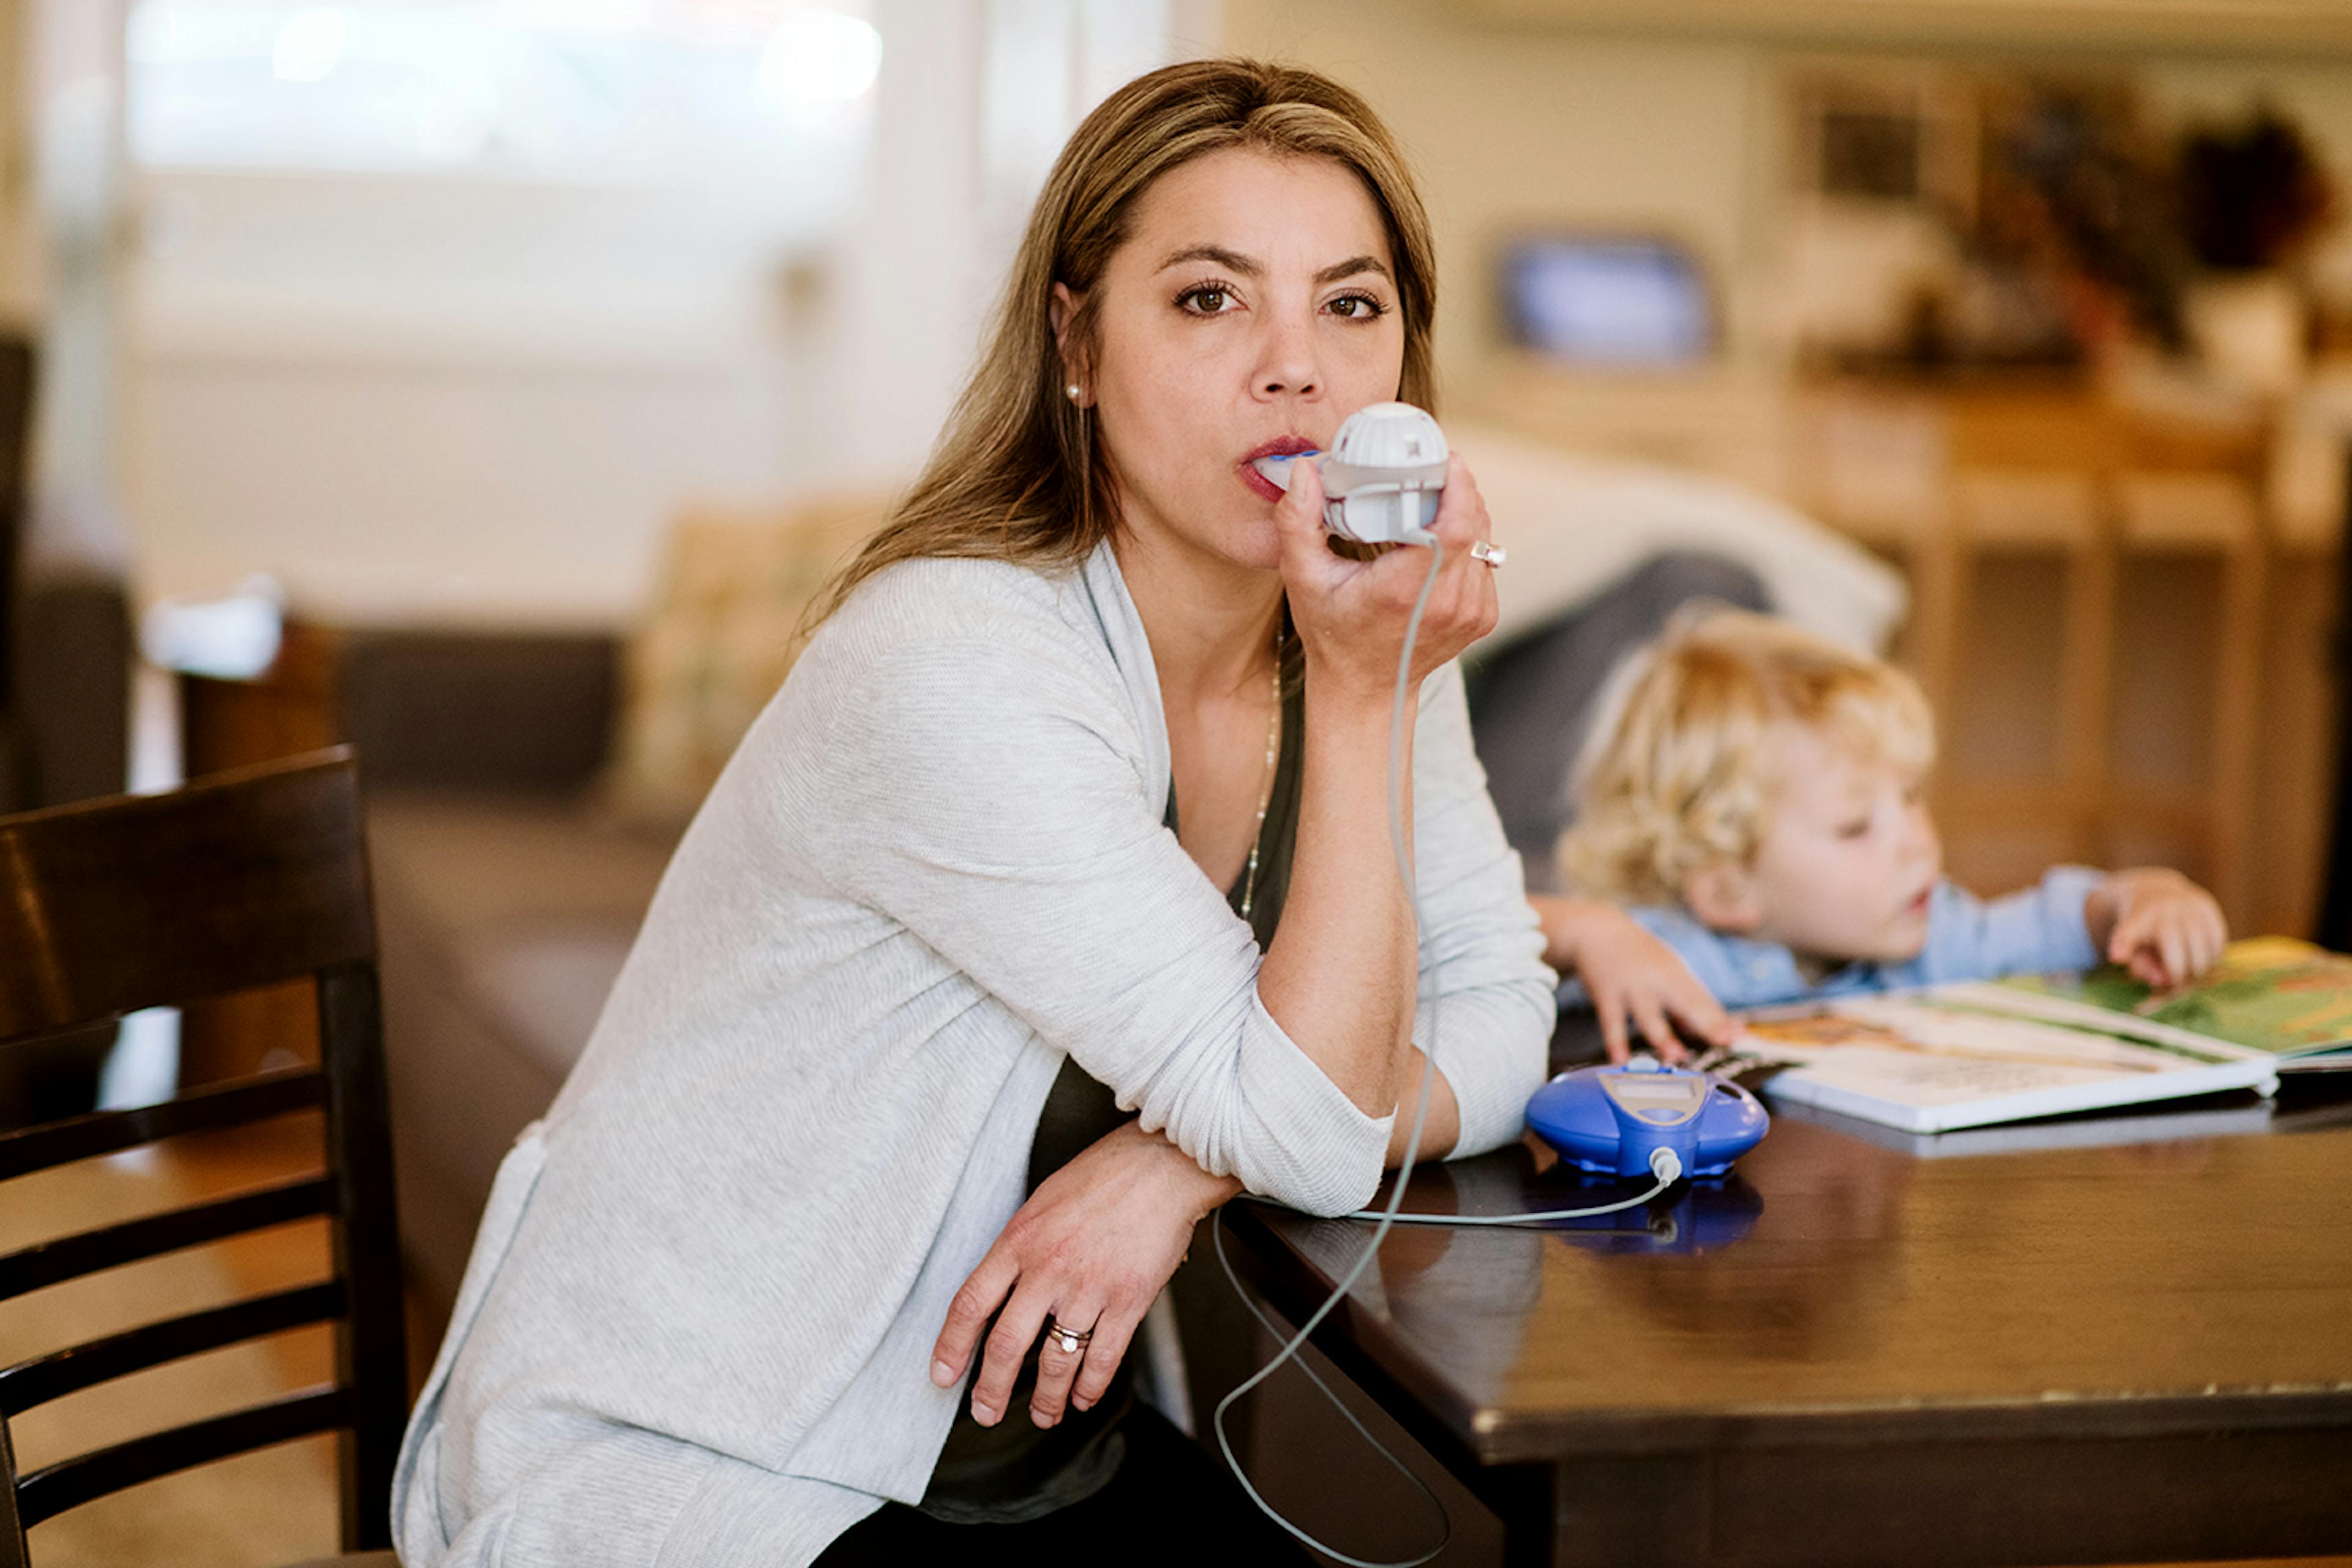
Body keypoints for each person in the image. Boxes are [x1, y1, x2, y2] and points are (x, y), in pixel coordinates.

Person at [388, 59, 1625, 1568]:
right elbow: (1320, 1120)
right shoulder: (954, 660)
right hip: (710, 1460)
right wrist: (1364, 711)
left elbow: (1498, 1008)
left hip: (1015, 1460)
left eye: (1350, 306)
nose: (1295, 368)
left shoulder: (1363, 621)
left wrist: (1181, 1159)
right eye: (1208, 298)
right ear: (1076, 344)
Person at [1530, 608, 2227, 1061]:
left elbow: (2048, 926)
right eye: (1856, 824)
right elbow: (1487, 937)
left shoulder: (1925, 934)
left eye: (1913, 796)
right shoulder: (1661, 956)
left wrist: (2140, 899)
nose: (1917, 842)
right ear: (1726, 887)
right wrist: (1589, 934)